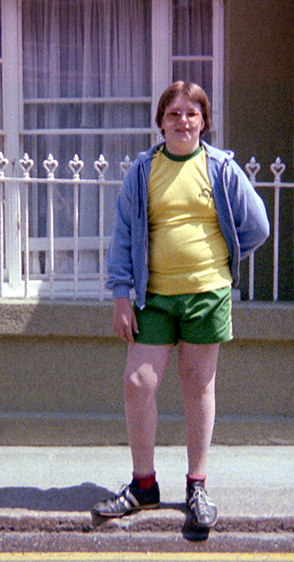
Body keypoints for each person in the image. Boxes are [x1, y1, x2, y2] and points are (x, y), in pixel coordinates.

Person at [92, 81, 270, 528]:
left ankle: (197, 487)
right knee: (137, 382)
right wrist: (121, 296)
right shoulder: (142, 171)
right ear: (161, 121)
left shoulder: (221, 168)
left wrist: (222, 258)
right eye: (174, 113)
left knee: (198, 387)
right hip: (154, 297)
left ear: (204, 121)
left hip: (207, 294)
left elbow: (257, 226)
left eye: (192, 113)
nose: (183, 121)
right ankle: (143, 486)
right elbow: (123, 235)